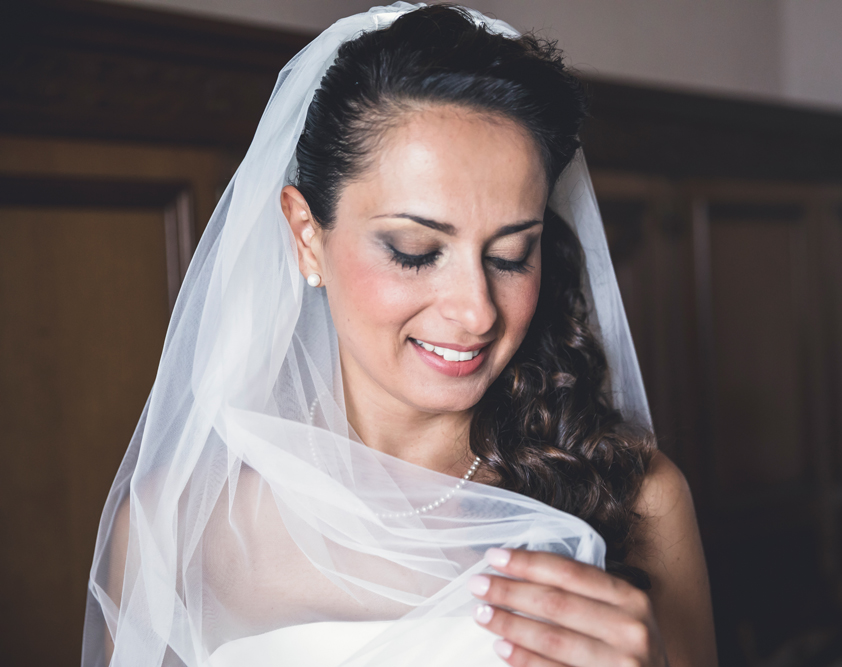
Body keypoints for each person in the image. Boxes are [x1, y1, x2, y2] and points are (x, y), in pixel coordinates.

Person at [83, 4, 716, 666]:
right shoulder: (174, 527)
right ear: (306, 235)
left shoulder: (638, 499)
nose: (476, 311)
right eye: (415, 250)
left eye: (509, 256)